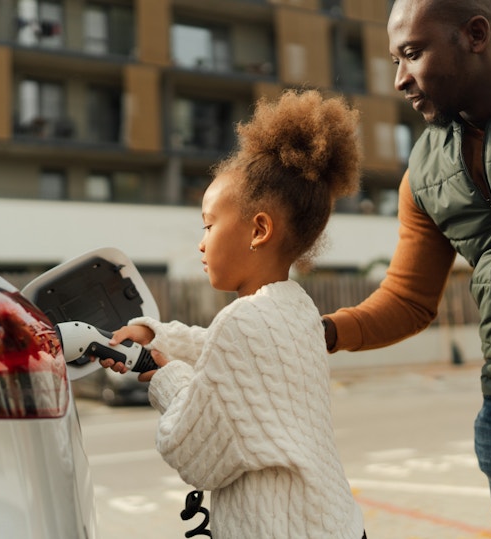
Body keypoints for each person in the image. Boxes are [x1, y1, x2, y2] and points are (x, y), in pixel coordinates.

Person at [100, 89, 366, 538]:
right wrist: (156, 336)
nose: (201, 243)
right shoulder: (295, 310)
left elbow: (191, 449)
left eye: (208, 224)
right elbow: (226, 352)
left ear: (259, 229)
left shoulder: (245, 323)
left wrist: (164, 377)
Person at [321, 0, 491, 536]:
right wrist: (322, 333)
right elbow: (406, 299)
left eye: (412, 54)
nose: (400, 79)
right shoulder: (423, 174)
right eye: (394, 60)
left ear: (475, 35)